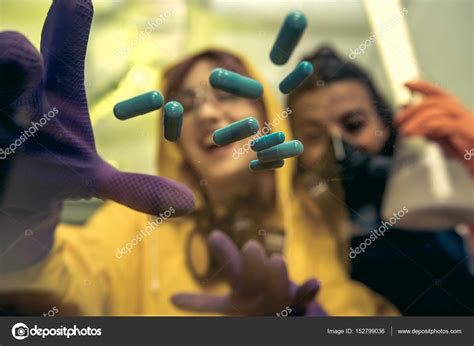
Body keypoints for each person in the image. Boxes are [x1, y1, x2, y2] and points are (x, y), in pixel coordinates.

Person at [0, 0, 398, 316]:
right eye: (186, 104)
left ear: (266, 116)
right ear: (177, 144)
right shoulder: (133, 224)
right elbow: (54, 292)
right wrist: (24, 215)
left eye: (226, 94)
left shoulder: (314, 218)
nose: (207, 113)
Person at [287, 45, 474, 315]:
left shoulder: (441, 200)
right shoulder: (298, 239)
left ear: (386, 123)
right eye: (314, 136)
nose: (339, 152)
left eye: (354, 124)